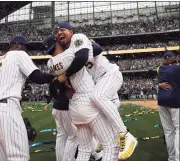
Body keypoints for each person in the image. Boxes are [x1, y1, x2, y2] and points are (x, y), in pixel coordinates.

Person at [52, 22, 138, 160]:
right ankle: (104, 140)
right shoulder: (67, 53)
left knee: (97, 97)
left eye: (62, 30)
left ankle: (125, 135)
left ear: (71, 31)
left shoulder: (78, 38)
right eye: (56, 32)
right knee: (96, 109)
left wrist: (65, 75)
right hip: (99, 82)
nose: (59, 33)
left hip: (109, 74)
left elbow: (96, 49)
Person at [45, 34, 119, 161]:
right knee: (110, 144)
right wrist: (81, 41)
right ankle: (99, 154)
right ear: (57, 43)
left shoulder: (51, 63)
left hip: (68, 107)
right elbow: (93, 50)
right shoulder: (69, 55)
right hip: (83, 101)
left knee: (77, 144)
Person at [0, 36, 54, 161]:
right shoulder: (19, 54)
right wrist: (55, 74)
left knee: (0, 157)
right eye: (25, 47)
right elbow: (38, 78)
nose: (26, 51)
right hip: (5, 107)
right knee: (19, 157)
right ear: (17, 45)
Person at [157, 52, 180, 161]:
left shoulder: (160, 69)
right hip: (175, 101)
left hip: (162, 102)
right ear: (174, 58)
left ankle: (171, 158)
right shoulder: (177, 69)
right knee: (178, 129)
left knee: (168, 131)